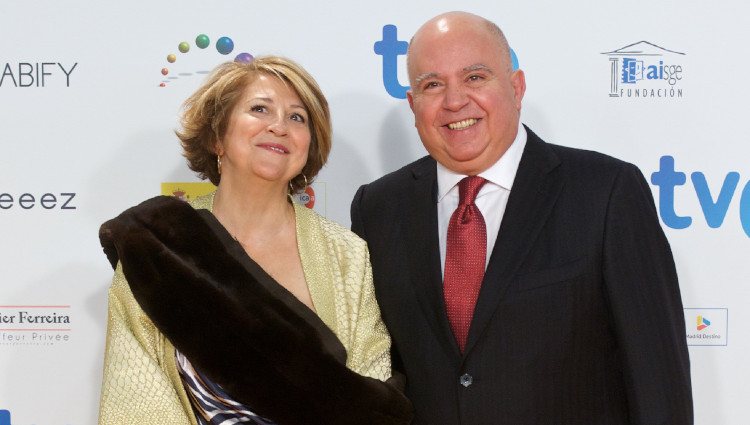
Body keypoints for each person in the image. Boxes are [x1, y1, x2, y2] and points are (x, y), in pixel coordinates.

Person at [351, 11, 693, 425]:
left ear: (516, 87)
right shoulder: (378, 207)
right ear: (412, 103)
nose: (455, 101)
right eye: (432, 85)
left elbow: (657, 378)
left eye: (475, 77)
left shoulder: (606, 192)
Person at [98, 56, 412, 425]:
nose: (279, 126)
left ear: (309, 146)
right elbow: (137, 405)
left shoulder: (345, 252)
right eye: (259, 109)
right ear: (217, 137)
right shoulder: (157, 242)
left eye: (297, 117)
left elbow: (369, 400)